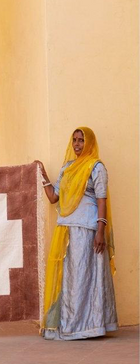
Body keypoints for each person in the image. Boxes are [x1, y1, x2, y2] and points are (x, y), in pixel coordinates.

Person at [36, 127, 117, 340]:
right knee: (70, 278)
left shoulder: (96, 168)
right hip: (67, 230)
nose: (77, 144)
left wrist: (100, 231)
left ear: (89, 142)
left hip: (88, 230)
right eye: (74, 140)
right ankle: (70, 323)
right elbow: (54, 197)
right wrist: (43, 175)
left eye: (81, 140)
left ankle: (90, 325)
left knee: (86, 277)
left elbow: (101, 200)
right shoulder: (68, 168)